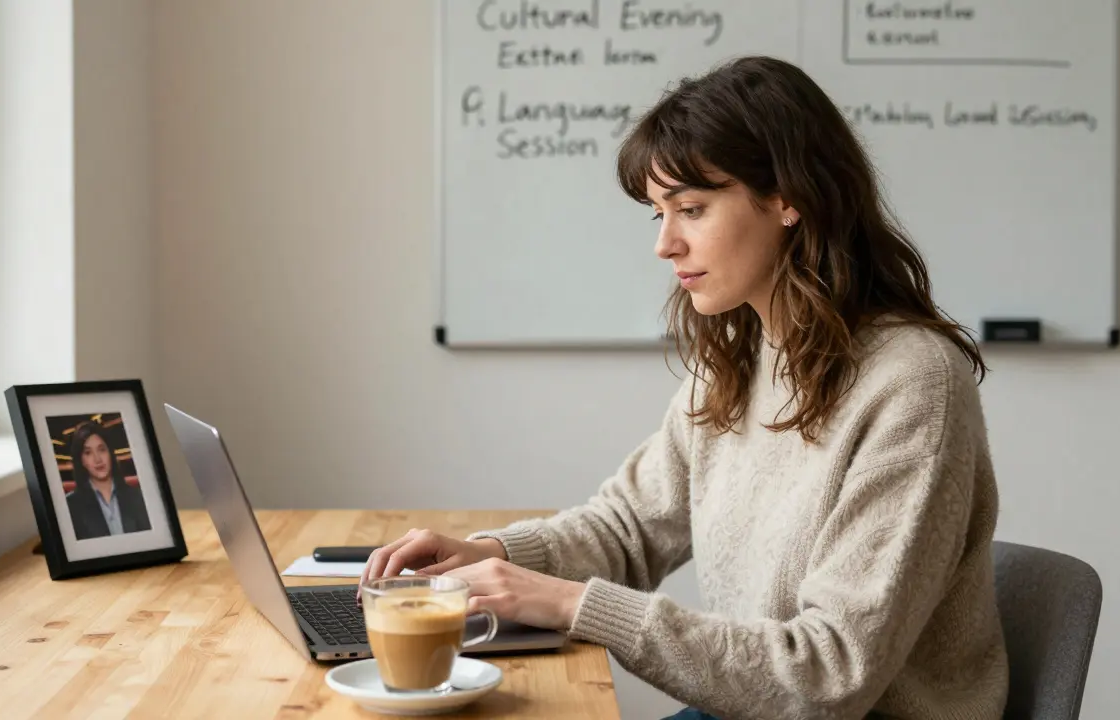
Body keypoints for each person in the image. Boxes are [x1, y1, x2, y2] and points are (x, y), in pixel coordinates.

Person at [361, 56, 1008, 719]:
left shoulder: (913, 383)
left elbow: (829, 675)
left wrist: (565, 603)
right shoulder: (741, 359)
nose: (665, 244)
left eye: (691, 209)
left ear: (790, 198)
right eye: (658, 214)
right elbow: (629, 530)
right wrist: (492, 555)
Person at [63, 419, 152, 540]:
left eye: (102, 450)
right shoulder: (70, 506)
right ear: (81, 461)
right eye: (88, 453)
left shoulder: (138, 497)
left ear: (110, 453)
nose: (97, 459)